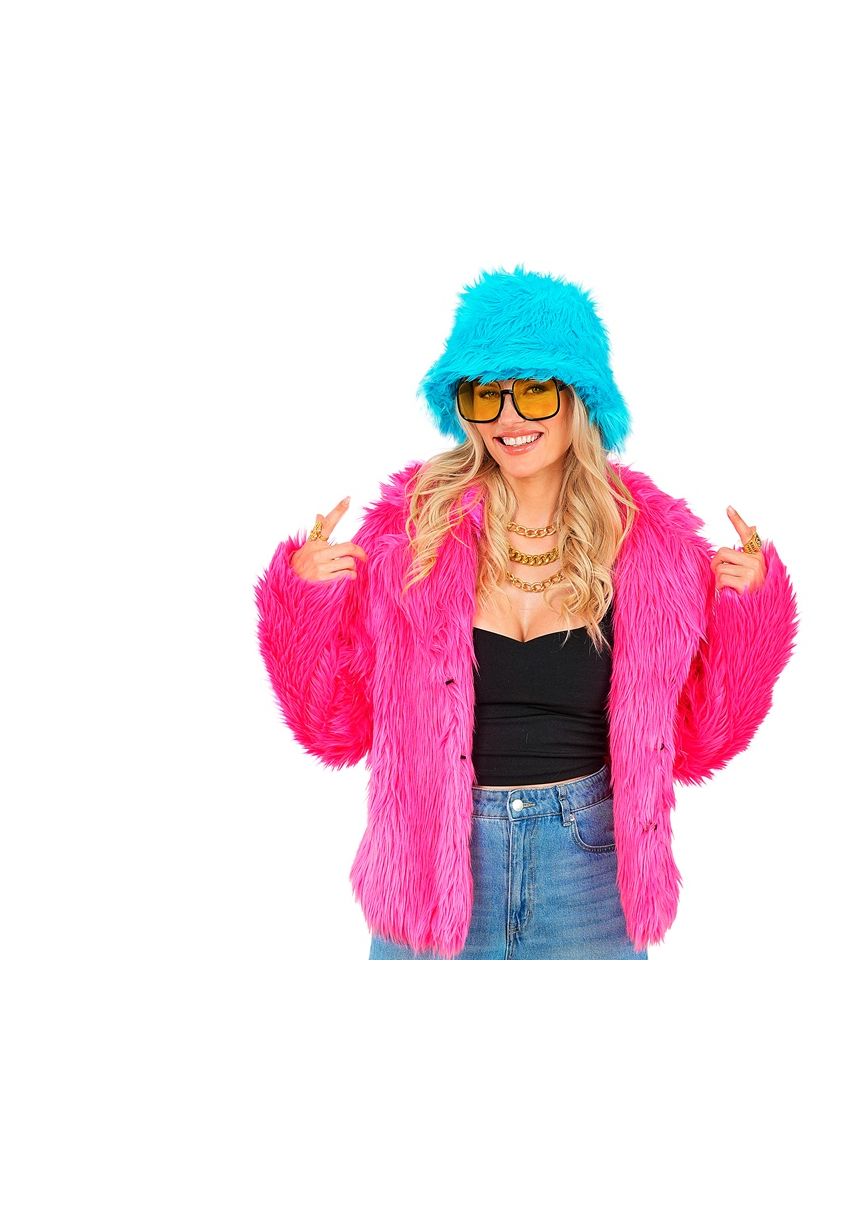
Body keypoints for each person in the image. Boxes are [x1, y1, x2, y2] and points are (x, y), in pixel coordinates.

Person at [254, 264, 799, 960]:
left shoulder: (652, 546)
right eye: (487, 395)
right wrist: (305, 605)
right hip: (430, 870)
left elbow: (699, 744)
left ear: (580, 398)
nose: (509, 419)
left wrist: (749, 616)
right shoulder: (409, 534)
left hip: (590, 872)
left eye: (535, 390)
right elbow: (331, 730)